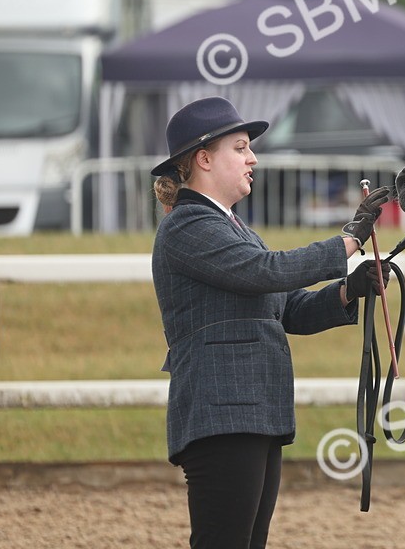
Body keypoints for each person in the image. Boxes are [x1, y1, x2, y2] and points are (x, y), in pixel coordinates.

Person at [150, 96, 391, 549]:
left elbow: (287, 307)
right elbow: (268, 271)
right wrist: (347, 242)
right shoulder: (186, 226)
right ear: (204, 158)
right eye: (240, 148)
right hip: (223, 412)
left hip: (253, 411)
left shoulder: (234, 229)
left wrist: (348, 290)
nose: (252, 157)